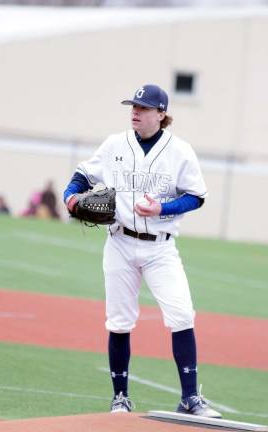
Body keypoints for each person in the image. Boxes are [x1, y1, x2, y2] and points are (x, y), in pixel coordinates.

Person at [63, 84, 219, 418]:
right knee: (119, 322)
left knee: (181, 314)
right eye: (133, 106)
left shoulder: (180, 151)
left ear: (161, 114)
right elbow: (81, 175)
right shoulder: (114, 144)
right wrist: (70, 197)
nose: (135, 111)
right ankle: (120, 396)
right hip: (119, 242)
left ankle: (190, 398)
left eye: (144, 108)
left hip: (160, 248)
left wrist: (162, 208)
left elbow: (196, 196)